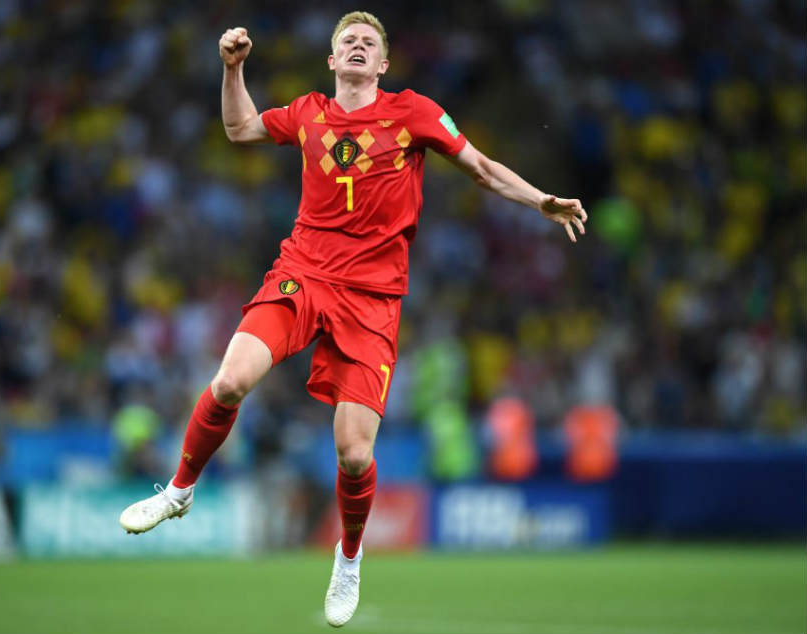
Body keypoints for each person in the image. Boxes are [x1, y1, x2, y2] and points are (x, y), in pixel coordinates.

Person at [119, 11, 587, 627]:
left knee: (355, 454)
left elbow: (480, 167)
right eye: (349, 41)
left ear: (383, 64)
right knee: (230, 380)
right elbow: (238, 128)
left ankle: (348, 557)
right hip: (303, 274)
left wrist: (540, 201)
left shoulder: (414, 113)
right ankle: (179, 491)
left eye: (370, 42)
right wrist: (233, 69)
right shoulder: (308, 112)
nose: (359, 46)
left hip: (372, 298)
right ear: (333, 61)